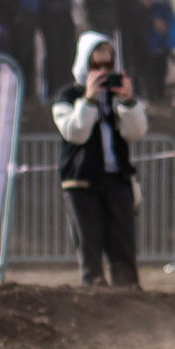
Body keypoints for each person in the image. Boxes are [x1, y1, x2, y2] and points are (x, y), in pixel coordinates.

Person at [51, 32, 146, 288]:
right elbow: (75, 133)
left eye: (108, 65)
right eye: (97, 66)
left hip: (118, 179)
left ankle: (129, 295)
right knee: (89, 244)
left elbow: (135, 131)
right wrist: (89, 100)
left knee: (123, 244)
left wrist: (127, 100)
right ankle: (94, 296)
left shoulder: (116, 96)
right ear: (84, 64)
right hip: (82, 181)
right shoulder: (68, 96)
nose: (104, 72)